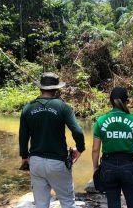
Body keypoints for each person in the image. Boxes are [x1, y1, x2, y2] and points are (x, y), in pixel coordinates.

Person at [19, 72, 85, 208]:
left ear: (40, 87)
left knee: (41, 204)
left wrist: (24, 157)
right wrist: (80, 148)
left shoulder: (27, 108)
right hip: (58, 162)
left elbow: (23, 137)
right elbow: (77, 131)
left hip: (36, 162)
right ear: (56, 89)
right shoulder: (63, 107)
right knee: (67, 203)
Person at [92, 87, 133, 208]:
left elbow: (95, 150)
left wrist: (96, 168)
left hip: (108, 167)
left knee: (113, 204)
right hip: (129, 166)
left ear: (111, 101)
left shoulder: (101, 121)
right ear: (126, 102)